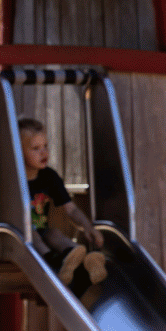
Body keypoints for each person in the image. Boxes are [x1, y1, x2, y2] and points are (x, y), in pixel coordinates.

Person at [20, 117, 107, 292]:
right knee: (34, 236)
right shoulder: (12, 177)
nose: (43, 152)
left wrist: (87, 227)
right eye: (35, 148)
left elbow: (71, 208)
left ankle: (79, 257)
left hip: (41, 232)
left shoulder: (49, 177)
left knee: (53, 233)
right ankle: (56, 263)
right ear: (18, 152)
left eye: (45, 146)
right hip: (19, 237)